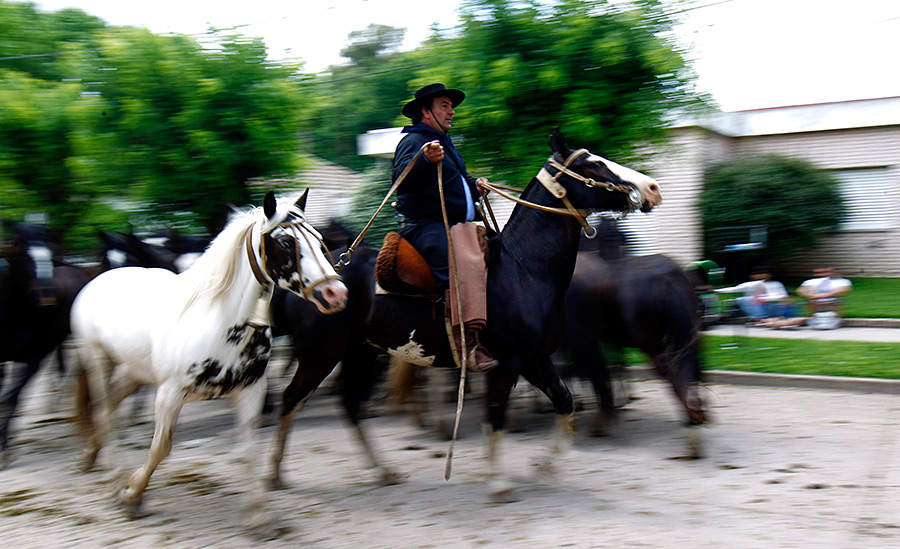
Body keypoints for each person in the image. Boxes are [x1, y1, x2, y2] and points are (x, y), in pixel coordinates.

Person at [392, 83, 498, 372]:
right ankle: (467, 344)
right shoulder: (414, 142)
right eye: (444, 105)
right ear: (426, 112)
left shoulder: (446, 143)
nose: (452, 111)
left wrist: (475, 185)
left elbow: (457, 182)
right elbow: (399, 178)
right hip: (424, 226)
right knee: (457, 261)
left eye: (451, 106)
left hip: (458, 225)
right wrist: (424, 160)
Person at [713, 267, 795, 326]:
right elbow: (733, 289)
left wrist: (767, 299)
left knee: (786, 302)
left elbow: (783, 296)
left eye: (763, 273)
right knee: (743, 300)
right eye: (758, 274)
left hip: (773, 306)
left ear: (769, 275)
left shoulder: (776, 284)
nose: (761, 276)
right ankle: (761, 318)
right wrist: (717, 291)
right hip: (756, 307)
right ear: (752, 276)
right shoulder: (749, 285)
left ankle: (765, 318)